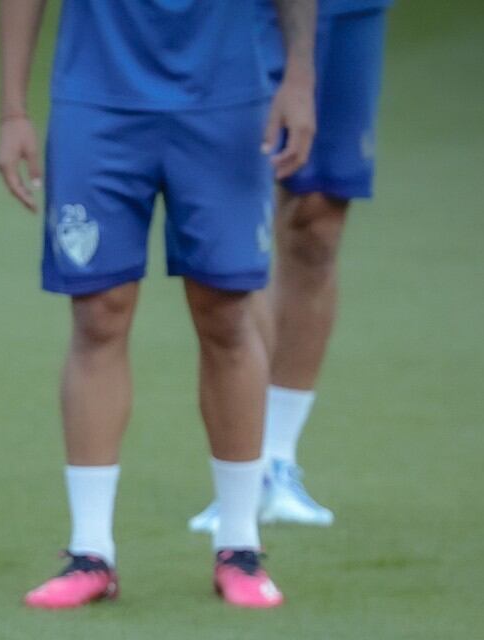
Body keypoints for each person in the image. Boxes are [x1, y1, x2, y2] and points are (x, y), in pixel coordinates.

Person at [0, 0, 317, 610]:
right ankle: (90, 551)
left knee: (226, 310)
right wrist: (12, 107)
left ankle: (240, 544)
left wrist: (299, 77)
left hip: (226, 94)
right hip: (97, 95)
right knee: (98, 312)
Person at [190, 0, 393, 533]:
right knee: (240, 221)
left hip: (346, 9)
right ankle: (244, 467)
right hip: (242, 14)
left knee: (319, 222)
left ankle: (278, 459)